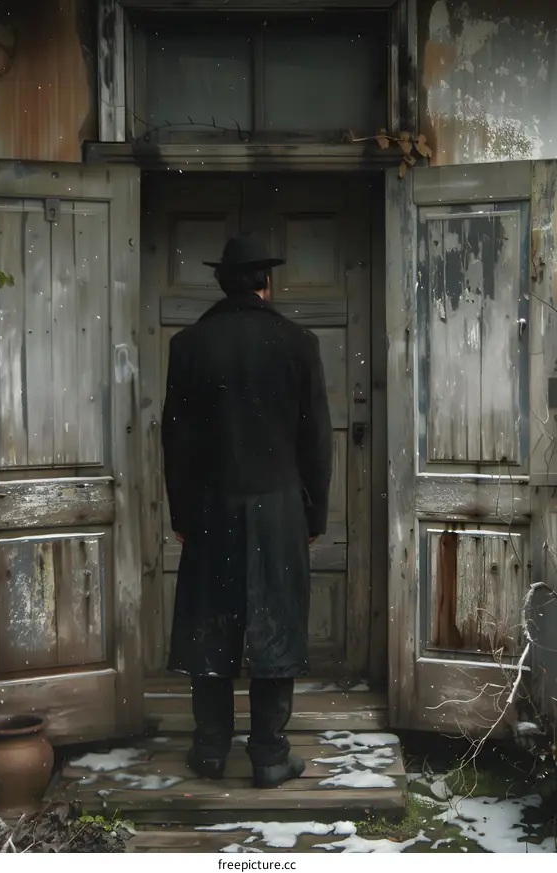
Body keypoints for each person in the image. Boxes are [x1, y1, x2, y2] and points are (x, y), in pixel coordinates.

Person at [162, 231, 333, 789]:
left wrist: (182, 517)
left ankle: (210, 749)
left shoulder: (188, 346)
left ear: (221, 280)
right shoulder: (298, 343)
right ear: (267, 282)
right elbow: (316, 443)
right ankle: (269, 755)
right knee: (274, 625)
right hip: (279, 506)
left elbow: (176, 444)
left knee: (212, 625)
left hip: (211, 508)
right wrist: (313, 518)